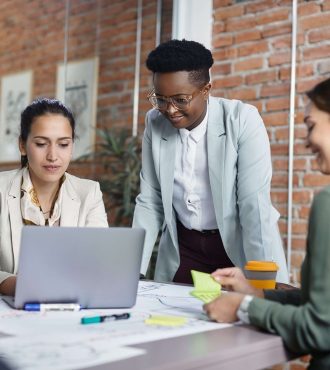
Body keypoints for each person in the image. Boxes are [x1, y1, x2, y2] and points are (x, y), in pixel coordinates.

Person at [133, 39, 288, 284]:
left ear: (206, 90)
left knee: (244, 318)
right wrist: (134, 269)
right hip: (185, 250)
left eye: (181, 99)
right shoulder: (155, 122)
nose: (170, 110)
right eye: (161, 99)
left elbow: (253, 206)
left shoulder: (242, 120)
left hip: (236, 249)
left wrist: (266, 284)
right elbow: (150, 200)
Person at [203, 77, 330, 370]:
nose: (307, 140)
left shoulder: (327, 203)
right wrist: (259, 294)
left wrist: (244, 308)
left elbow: (320, 329)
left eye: (311, 126)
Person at [0, 98, 108, 296]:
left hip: (70, 304)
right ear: (22, 145)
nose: (53, 156)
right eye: (41, 144)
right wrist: (15, 285)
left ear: (72, 146)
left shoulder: (88, 193)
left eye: (63, 144)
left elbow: (98, 263)